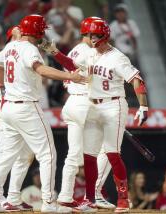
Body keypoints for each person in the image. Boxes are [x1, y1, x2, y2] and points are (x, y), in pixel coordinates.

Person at [0, 14, 87, 213]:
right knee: (48, 154)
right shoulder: (29, 49)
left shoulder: (9, 47)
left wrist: (1, 86)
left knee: (3, 156)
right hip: (26, 108)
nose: (43, 34)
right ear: (36, 31)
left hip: (8, 107)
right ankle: (48, 203)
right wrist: (70, 76)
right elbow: (42, 70)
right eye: (42, 30)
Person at [39, 16, 116, 210]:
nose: (100, 39)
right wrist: (56, 53)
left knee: (74, 155)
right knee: (107, 148)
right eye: (97, 35)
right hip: (84, 105)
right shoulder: (88, 51)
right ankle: (96, 194)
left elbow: (70, 71)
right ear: (90, 34)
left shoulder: (76, 48)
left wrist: (56, 52)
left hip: (73, 104)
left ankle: (66, 195)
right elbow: (72, 67)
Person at [80, 19, 148, 213]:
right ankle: (92, 197)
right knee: (91, 154)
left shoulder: (118, 57)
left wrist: (143, 106)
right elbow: (75, 67)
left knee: (111, 153)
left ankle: (123, 199)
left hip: (113, 104)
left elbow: (137, 80)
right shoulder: (91, 54)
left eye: (96, 35)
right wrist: (55, 54)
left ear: (105, 35)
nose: (93, 39)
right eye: (90, 35)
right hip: (94, 106)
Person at [0, 26, 34, 212]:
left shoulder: (18, 51)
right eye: (19, 32)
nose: (24, 33)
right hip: (8, 108)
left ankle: (12, 197)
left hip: (18, 108)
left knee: (25, 154)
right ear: (12, 36)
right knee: (5, 155)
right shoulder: (9, 50)